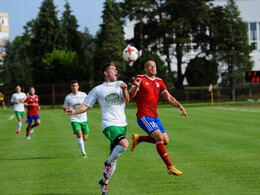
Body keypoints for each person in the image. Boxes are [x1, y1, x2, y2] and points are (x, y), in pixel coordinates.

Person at [65, 62, 129, 195]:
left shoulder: (121, 84)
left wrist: (124, 89)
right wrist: (74, 111)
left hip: (122, 124)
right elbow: (86, 106)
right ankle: (107, 163)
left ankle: (104, 185)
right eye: (112, 69)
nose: (115, 70)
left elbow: (127, 99)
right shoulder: (98, 89)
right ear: (106, 73)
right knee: (124, 144)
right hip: (109, 124)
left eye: (116, 69)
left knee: (114, 158)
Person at [129, 60, 187, 176]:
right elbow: (130, 95)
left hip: (155, 117)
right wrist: (136, 85)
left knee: (165, 141)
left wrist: (180, 106)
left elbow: (169, 97)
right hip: (144, 116)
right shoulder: (140, 78)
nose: (153, 68)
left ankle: (139, 139)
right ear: (145, 69)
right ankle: (170, 166)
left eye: (155, 66)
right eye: (150, 66)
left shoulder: (159, 81)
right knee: (159, 137)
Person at [63, 80, 89, 158]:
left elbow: (88, 104)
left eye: (76, 86)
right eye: (73, 86)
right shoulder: (68, 97)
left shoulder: (83, 95)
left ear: (78, 86)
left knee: (85, 138)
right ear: (71, 87)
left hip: (84, 119)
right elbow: (64, 107)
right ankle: (84, 153)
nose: (74, 87)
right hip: (74, 119)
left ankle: (83, 151)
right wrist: (66, 109)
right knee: (79, 134)